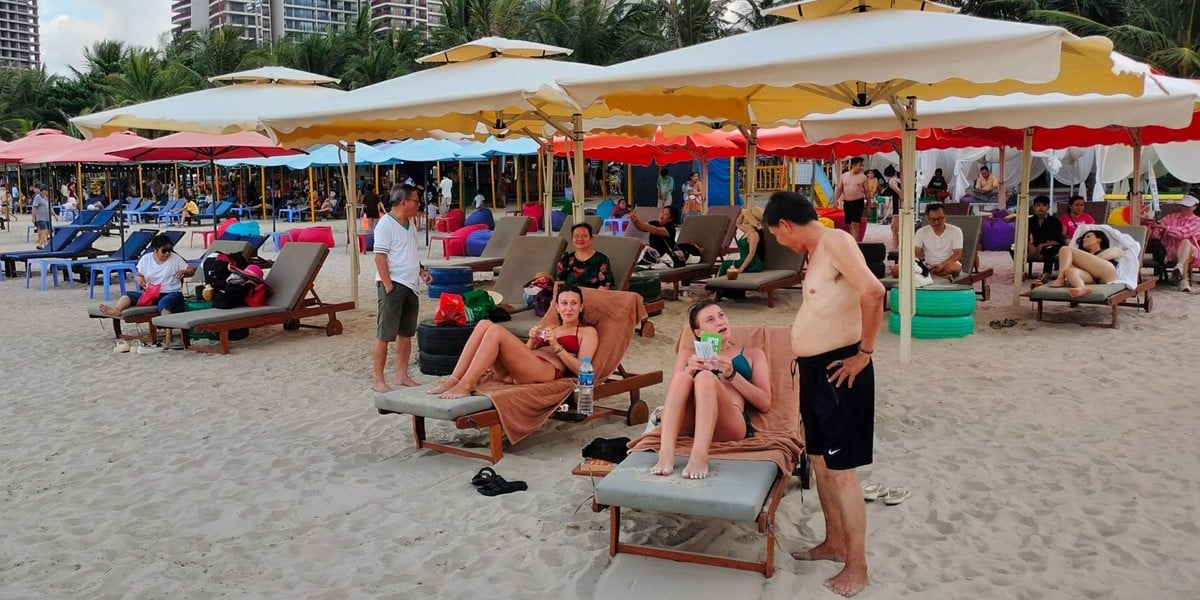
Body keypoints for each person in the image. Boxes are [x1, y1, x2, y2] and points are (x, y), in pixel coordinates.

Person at [763, 190, 883, 598]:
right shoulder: (816, 253)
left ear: (785, 225)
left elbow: (874, 292)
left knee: (842, 471)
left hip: (841, 369)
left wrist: (864, 354)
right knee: (818, 461)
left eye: (777, 236)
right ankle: (834, 543)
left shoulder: (837, 243)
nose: (781, 244)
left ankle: (858, 564)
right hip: (815, 370)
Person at [650, 300, 771, 479]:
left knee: (706, 378)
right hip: (690, 422)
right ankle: (666, 453)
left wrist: (732, 374)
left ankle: (699, 456)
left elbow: (765, 402)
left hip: (729, 423)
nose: (720, 322)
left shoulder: (752, 354)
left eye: (721, 315)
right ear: (699, 332)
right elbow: (672, 398)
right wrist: (689, 371)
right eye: (711, 320)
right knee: (682, 376)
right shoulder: (687, 353)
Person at [427, 286, 597, 399]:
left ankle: (466, 384)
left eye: (574, 303)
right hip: (517, 371)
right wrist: (531, 341)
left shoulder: (587, 332)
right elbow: (521, 354)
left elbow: (582, 370)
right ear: (557, 308)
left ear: (581, 307)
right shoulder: (552, 327)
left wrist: (556, 346)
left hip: (544, 370)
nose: (569, 308)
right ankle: (454, 379)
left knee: (494, 329)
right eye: (564, 303)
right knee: (483, 324)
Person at [373, 184, 432, 393]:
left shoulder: (410, 224)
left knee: (406, 332)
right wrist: (388, 286)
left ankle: (402, 375)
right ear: (403, 201)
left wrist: (421, 270)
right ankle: (379, 380)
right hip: (393, 284)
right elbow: (380, 257)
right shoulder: (385, 224)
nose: (418, 205)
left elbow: (410, 252)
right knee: (385, 333)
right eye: (416, 201)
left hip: (410, 284)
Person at [98, 235, 194, 350]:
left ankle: (169, 338)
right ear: (155, 249)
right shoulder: (146, 259)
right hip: (151, 293)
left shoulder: (175, 258)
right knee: (128, 295)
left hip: (171, 292)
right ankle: (117, 311)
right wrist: (139, 279)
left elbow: (191, 270)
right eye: (164, 250)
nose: (168, 253)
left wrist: (184, 271)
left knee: (164, 304)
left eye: (170, 250)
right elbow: (139, 274)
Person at [1050, 229, 1121, 298]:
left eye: (1088, 236)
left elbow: (1114, 254)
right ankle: (1081, 288)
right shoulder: (1082, 256)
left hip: (1107, 272)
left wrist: (1082, 261)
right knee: (1070, 271)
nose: (1084, 239)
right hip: (1092, 278)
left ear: (1099, 239)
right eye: (1083, 238)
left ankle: (1060, 279)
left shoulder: (1111, 249)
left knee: (1065, 249)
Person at [1153, 195, 1200, 292]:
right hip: (1172, 251)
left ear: (1195, 207)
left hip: (1191, 251)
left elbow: (1184, 233)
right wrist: (1153, 225)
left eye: (1188, 206)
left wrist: (1166, 228)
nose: (1185, 207)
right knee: (1184, 253)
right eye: (1183, 205)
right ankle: (1182, 274)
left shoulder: (1197, 221)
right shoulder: (1169, 217)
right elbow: (1156, 235)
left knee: (1186, 242)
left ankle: (1180, 270)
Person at [911, 203, 963, 280]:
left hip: (947, 265)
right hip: (929, 265)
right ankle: (940, 277)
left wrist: (941, 265)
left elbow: (957, 254)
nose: (936, 222)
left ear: (945, 217)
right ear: (928, 218)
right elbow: (916, 253)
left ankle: (932, 276)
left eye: (939, 219)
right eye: (932, 219)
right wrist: (922, 264)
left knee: (955, 268)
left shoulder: (956, 231)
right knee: (903, 267)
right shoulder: (921, 232)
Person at [556, 223, 615, 289]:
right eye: (576, 236)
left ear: (591, 239)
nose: (580, 239)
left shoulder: (601, 259)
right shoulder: (566, 259)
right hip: (568, 296)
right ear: (572, 239)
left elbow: (605, 285)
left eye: (584, 235)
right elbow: (559, 282)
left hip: (592, 296)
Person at [1023, 195, 1066, 282]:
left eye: (1044, 205)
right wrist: (1029, 244)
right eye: (1038, 205)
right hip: (1034, 245)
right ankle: (1021, 271)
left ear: (1048, 207)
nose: (1041, 208)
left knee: (1050, 250)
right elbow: (1023, 235)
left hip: (1050, 245)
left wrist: (1043, 245)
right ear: (1034, 207)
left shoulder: (1054, 221)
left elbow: (1058, 240)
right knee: (1013, 248)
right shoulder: (1029, 221)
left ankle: (1046, 273)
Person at [718, 206, 765, 277]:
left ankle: (719, 285)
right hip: (743, 260)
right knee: (726, 264)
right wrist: (742, 213)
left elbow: (751, 254)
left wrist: (741, 268)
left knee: (725, 264)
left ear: (749, 219)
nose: (744, 217)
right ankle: (721, 285)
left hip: (752, 263)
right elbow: (738, 223)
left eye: (746, 216)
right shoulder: (747, 230)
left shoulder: (753, 235)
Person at [834, 157, 869, 241]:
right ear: (854, 165)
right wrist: (835, 200)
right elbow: (839, 189)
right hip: (847, 202)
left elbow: (867, 192)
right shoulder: (844, 176)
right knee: (849, 224)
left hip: (858, 201)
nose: (861, 167)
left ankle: (855, 243)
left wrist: (868, 204)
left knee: (855, 223)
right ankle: (852, 240)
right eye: (860, 165)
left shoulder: (863, 177)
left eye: (862, 166)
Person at [31, 183, 51, 249]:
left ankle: (44, 244)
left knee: (47, 231)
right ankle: (40, 244)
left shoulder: (46, 198)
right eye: (47, 191)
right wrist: (33, 217)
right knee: (44, 230)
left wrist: (55, 215)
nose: (48, 192)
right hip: (41, 217)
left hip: (47, 217)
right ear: (44, 191)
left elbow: (49, 207)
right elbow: (34, 207)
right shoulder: (38, 197)